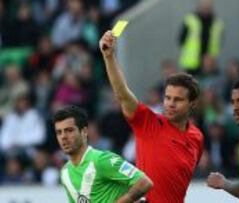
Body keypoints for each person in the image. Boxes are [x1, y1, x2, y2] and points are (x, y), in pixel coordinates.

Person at [99, 31, 204, 203]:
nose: (170, 104)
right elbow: (122, 94)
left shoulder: (197, 137)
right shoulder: (149, 122)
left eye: (178, 99)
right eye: (167, 98)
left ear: (192, 104)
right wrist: (109, 56)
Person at [53, 106, 153, 203]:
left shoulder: (102, 160)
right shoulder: (65, 172)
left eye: (69, 130)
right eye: (59, 132)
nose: (63, 137)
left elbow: (144, 182)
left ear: (84, 131)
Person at [178, 0, 224, 75]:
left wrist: (210, 56)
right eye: (204, 5)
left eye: (208, 6)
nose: (206, 8)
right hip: (192, 63)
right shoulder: (190, 19)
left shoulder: (217, 22)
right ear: (199, 6)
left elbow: (219, 42)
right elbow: (181, 40)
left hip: (210, 63)